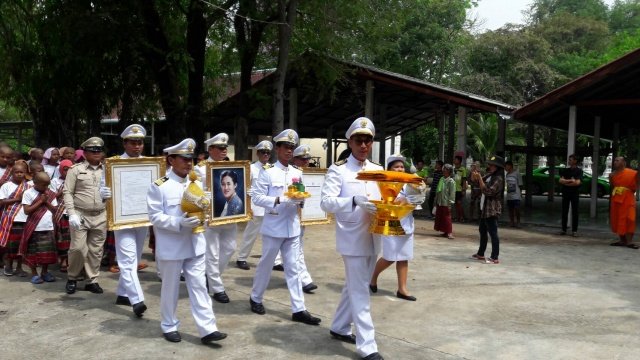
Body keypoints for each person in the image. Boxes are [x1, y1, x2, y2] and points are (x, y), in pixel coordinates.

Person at [146, 138, 227, 344]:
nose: (188, 163)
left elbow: (204, 209)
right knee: (170, 288)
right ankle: (169, 325)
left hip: (196, 243)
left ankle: (208, 329)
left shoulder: (197, 183)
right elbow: (155, 217)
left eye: (190, 158)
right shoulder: (159, 186)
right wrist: (179, 222)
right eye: (183, 158)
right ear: (171, 159)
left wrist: (207, 217)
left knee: (199, 286)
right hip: (172, 246)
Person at [320, 117, 385, 360]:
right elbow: (326, 201)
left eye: (368, 140)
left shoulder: (378, 170)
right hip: (351, 238)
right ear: (350, 141)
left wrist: (407, 198)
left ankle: (339, 326)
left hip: (374, 236)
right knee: (361, 291)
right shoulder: (338, 169)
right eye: (359, 140)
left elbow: (385, 200)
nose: (364, 145)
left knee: (354, 285)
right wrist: (353, 201)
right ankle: (367, 345)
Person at [248, 129, 321, 326]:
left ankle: (299, 309)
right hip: (274, 226)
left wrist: (301, 202)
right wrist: (280, 199)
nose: (289, 151)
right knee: (265, 265)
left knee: (294, 268)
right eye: (286, 147)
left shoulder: (297, 172)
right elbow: (257, 197)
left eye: (292, 147)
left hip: (293, 226)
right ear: (277, 149)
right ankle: (256, 297)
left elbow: (300, 196)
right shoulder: (267, 172)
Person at [109, 124, 150, 317]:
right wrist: (105, 193)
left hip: (142, 217)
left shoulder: (152, 164)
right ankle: (137, 299)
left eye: (140, 142)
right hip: (122, 219)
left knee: (134, 258)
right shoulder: (113, 164)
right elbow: (104, 185)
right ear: (125, 143)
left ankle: (122, 293)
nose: (137, 146)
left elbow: (161, 183)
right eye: (133, 142)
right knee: (126, 259)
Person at [63, 137, 111, 295]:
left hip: (101, 214)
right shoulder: (75, 170)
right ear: (84, 153)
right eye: (92, 150)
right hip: (80, 213)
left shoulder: (108, 169)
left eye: (99, 150)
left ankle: (92, 280)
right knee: (77, 248)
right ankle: (72, 277)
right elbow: (68, 192)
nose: (96, 153)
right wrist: (71, 214)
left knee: (95, 250)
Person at [370, 154, 419, 302]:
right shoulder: (384, 182)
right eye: (396, 166)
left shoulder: (410, 183)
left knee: (404, 256)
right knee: (390, 257)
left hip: (406, 223)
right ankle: (372, 277)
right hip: (390, 222)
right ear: (389, 169)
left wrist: (410, 199)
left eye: (402, 166)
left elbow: (417, 198)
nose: (400, 169)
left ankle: (402, 289)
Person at [198, 133, 237, 304]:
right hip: (210, 216)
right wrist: (202, 194)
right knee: (212, 253)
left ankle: (210, 277)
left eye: (225, 148)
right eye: (220, 148)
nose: (224, 151)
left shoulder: (231, 167)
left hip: (229, 215)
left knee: (230, 248)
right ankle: (217, 288)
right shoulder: (200, 169)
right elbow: (192, 192)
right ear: (210, 149)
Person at [236, 140, 272, 270]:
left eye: (268, 153)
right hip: (256, 206)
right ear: (257, 153)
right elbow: (244, 185)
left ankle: (276, 261)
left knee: (272, 234)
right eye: (263, 152)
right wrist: (249, 192)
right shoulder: (251, 168)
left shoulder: (272, 168)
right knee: (250, 234)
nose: (266, 155)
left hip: (270, 206)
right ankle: (242, 258)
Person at [20, 172, 58, 284]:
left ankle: (45, 272)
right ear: (35, 183)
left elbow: (55, 210)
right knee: (33, 253)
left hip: (48, 227)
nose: (46, 187)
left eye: (48, 185)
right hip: (34, 227)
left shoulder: (50, 194)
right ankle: (34, 274)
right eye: (43, 185)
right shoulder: (28, 193)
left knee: (47, 253)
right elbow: (27, 211)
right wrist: (41, 201)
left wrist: (46, 202)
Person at [291, 144, 317, 294]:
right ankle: (304, 278)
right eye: (302, 159)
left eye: (307, 159)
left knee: (296, 248)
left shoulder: (311, 174)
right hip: (287, 216)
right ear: (295, 159)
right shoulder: (290, 173)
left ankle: (302, 278)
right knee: (295, 249)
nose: (306, 162)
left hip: (303, 216)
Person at [470, 155, 505, 264]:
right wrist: (475, 176)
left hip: (492, 209)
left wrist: (479, 178)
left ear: (497, 167)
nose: (489, 166)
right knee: (483, 230)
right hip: (484, 207)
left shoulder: (499, 179)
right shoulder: (490, 175)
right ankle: (481, 253)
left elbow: (488, 191)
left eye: (492, 165)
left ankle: (495, 257)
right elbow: (477, 183)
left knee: (493, 233)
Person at [0, 161, 29, 276]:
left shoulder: (28, 186)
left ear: (25, 173)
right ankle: (9, 265)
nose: (19, 174)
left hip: (25, 219)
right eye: (16, 172)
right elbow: (1, 202)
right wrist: (18, 199)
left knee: (22, 245)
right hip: (11, 219)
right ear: (12, 173)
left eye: (21, 172)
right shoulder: (6, 186)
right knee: (11, 245)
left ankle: (19, 267)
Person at [608, 156, 639, 249]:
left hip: (628, 199)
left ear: (623, 163)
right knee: (618, 218)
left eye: (617, 160)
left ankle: (629, 241)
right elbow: (612, 186)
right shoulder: (612, 175)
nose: (615, 162)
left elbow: (636, 185)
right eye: (615, 161)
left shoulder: (632, 173)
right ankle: (622, 240)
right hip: (616, 199)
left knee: (630, 219)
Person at [51, 159, 73, 272]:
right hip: (60, 212)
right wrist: (64, 189)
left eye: (70, 170)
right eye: (65, 170)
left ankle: (71, 260)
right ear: (60, 170)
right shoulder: (55, 181)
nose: (67, 172)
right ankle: (63, 260)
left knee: (72, 238)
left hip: (73, 212)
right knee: (62, 238)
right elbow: (51, 196)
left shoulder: (76, 180)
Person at [559, 154, 582, 236]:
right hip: (566, 193)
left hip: (574, 193)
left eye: (571, 160)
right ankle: (563, 229)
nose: (569, 161)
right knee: (564, 211)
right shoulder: (565, 171)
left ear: (575, 161)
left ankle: (574, 231)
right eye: (569, 160)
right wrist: (570, 181)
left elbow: (577, 183)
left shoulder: (579, 171)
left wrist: (566, 182)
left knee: (575, 212)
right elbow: (561, 181)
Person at [434, 164, 456, 239]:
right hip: (440, 201)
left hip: (446, 202)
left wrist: (450, 203)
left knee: (447, 218)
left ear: (449, 171)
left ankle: (449, 232)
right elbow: (438, 190)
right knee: (441, 217)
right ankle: (445, 231)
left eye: (446, 170)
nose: (444, 171)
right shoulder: (442, 179)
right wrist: (436, 200)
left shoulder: (451, 181)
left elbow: (452, 193)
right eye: (444, 169)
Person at [505, 160, 523, 228]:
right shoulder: (507, 174)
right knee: (510, 209)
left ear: (510, 166)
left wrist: (520, 194)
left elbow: (520, 185)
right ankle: (512, 222)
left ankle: (518, 222)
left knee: (517, 209)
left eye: (506, 166)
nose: (505, 168)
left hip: (516, 195)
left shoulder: (517, 174)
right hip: (509, 196)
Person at [453, 155, 468, 222]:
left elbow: (464, 180)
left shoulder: (463, 169)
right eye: (454, 159)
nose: (455, 161)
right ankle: (457, 217)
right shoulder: (453, 169)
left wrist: (463, 189)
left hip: (459, 189)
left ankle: (462, 217)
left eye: (456, 159)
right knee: (455, 204)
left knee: (459, 203)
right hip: (453, 189)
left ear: (459, 161)